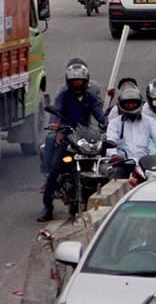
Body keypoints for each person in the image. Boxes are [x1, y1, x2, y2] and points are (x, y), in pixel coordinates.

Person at [38, 58, 107, 222]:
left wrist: (105, 122)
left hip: (85, 135)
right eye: (74, 81)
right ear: (69, 82)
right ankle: (47, 206)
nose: (77, 85)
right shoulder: (64, 96)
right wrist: (55, 125)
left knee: (103, 159)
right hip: (68, 136)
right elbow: (56, 111)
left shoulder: (90, 98)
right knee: (55, 170)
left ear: (86, 81)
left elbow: (98, 113)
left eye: (80, 81)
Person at [104, 87, 156, 178]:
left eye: (133, 103)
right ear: (121, 104)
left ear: (140, 103)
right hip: (123, 164)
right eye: (127, 103)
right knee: (115, 177)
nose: (130, 106)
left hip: (145, 163)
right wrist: (113, 155)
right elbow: (111, 140)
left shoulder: (149, 121)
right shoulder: (115, 123)